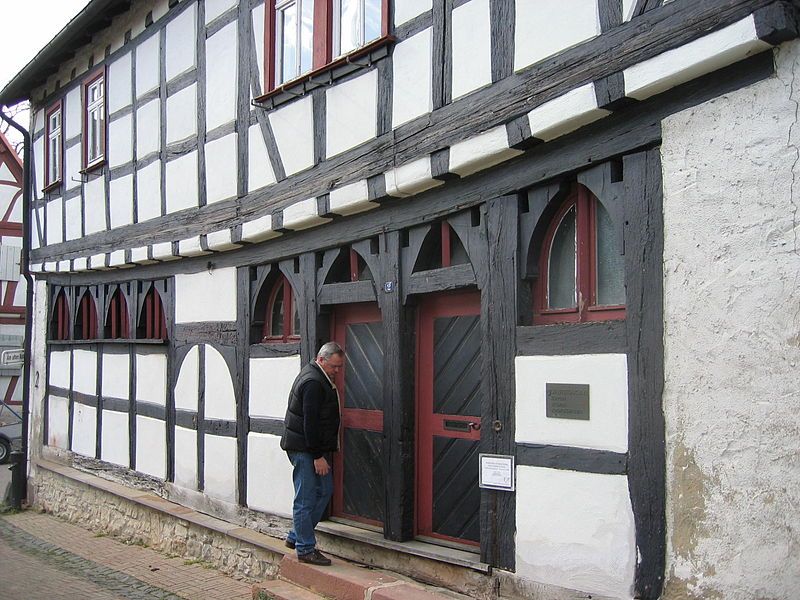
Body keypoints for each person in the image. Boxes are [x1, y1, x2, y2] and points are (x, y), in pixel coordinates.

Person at [280, 342, 344, 566]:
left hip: (309, 449)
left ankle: (296, 536)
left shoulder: (317, 377)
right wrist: (317, 456)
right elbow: (310, 424)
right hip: (305, 450)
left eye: (339, 367)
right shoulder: (313, 383)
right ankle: (306, 548)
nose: (337, 371)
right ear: (322, 360)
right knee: (305, 498)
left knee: (324, 491)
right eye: (334, 367)